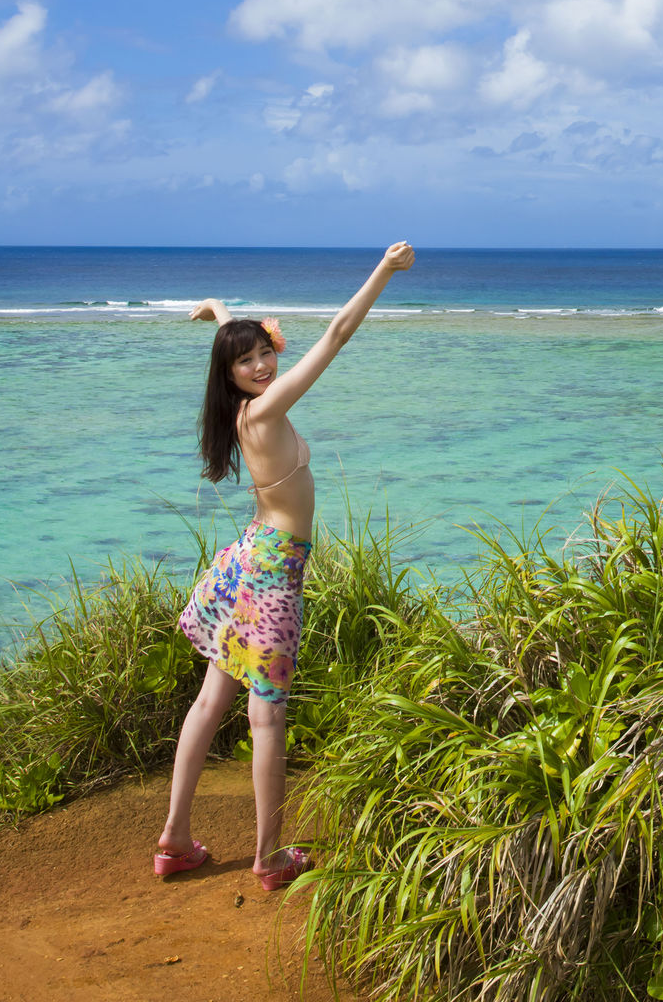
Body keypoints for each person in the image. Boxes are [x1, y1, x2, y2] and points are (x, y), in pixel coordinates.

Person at [153, 242, 416, 888]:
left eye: (265, 351)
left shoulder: (244, 406)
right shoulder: (266, 409)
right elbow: (337, 333)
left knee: (212, 700)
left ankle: (175, 841)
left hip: (245, 562)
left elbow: (233, 342)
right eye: (248, 360)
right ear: (233, 376)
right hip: (269, 577)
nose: (263, 363)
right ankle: (269, 858)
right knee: (265, 714)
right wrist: (384, 269)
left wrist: (219, 309)